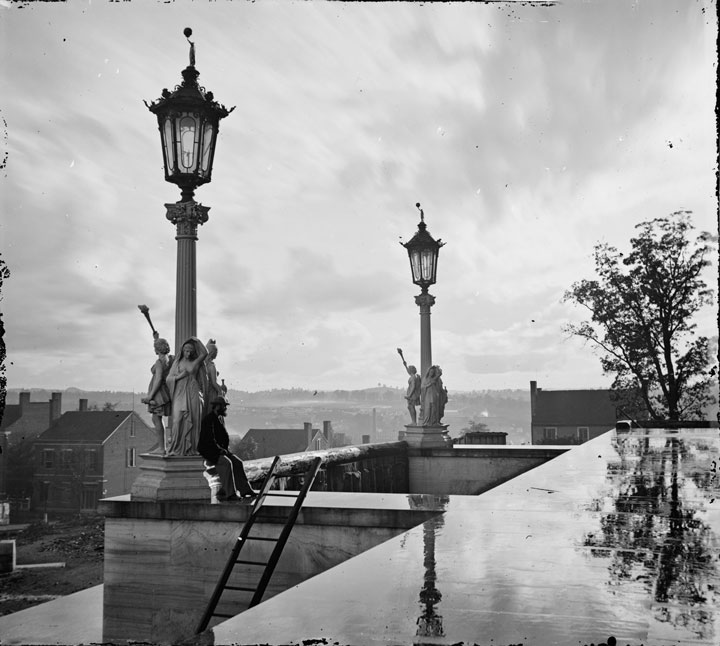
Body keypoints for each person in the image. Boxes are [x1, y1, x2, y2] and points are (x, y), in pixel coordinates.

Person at [198, 396, 256, 501]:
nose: (225, 408)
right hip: (211, 451)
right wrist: (220, 449)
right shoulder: (209, 420)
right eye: (224, 406)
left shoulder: (218, 418)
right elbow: (209, 439)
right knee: (226, 463)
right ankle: (230, 493)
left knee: (238, 463)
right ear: (217, 406)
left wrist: (224, 450)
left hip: (219, 450)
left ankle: (245, 490)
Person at [165, 337, 208, 456]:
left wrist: (197, 341)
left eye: (190, 351)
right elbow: (168, 379)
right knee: (177, 420)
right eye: (186, 351)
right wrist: (179, 377)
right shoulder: (177, 363)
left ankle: (192, 448)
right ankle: (175, 448)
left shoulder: (195, 362)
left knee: (194, 420)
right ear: (183, 351)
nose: (188, 353)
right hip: (179, 392)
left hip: (193, 392)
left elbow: (205, 353)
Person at [140, 332, 172, 455]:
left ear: (157, 349)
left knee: (156, 418)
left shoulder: (159, 362)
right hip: (164, 391)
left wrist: (150, 396)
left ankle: (161, 447)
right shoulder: (169, 359)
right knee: (157, 418)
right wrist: (157, 339)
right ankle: (162, 447)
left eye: (155, 347)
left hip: (159, 393)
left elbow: (158, 379)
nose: (154, 349)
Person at [203, 339, 224, 417]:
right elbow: (214, 383)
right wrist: (221, 392)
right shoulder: (212, 366)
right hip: (212, 394)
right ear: (213, 353)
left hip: (205, 392)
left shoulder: (203, 365)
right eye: (216, 352)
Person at [398, 351, 421, 425]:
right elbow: (408, 371)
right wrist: (405, 365)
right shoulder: (415, 376)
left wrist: (409, 395)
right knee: (410, 407)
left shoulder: (413, 378)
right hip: (413, 394)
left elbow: (413, 386)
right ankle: (413, 421)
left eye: (409, 369)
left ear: (411, 371)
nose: (408, 370)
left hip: (412, 395)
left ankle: (414, 422)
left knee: (411, 407)